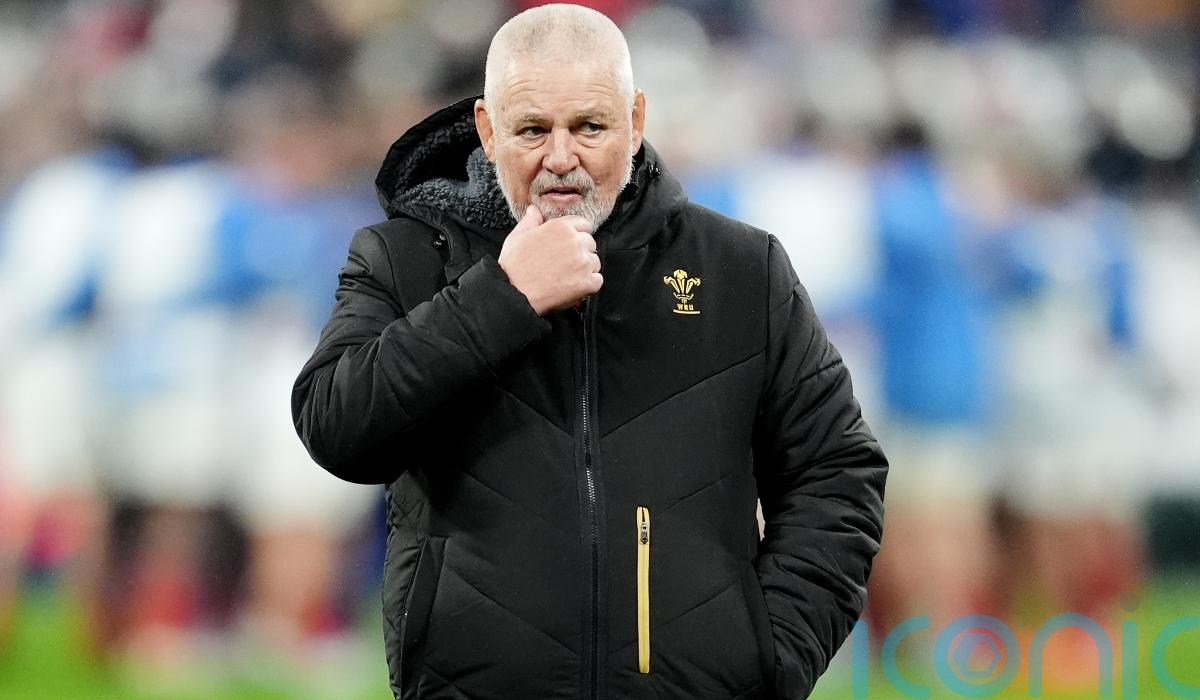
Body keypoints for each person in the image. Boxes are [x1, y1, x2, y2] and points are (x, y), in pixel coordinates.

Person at [292, 5, 887, 699]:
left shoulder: (741, 268)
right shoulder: (405, 257)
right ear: (487, 129)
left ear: (635, 120)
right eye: (533, 129)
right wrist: (501, 299)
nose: (561, 157)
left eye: (589, 127)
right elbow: (337, 429)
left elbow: (836, 472)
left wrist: (768, 658)